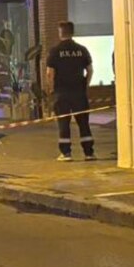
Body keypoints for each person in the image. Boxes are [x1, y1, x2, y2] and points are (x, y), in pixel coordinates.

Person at [46, 21, 95, 162]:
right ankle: (89, 153)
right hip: (79, 92)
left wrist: (52, 89)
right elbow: (90, 70)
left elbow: (50, 73)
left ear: (60, 32)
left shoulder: (55, 51)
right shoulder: (82, 50)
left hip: (62, 93)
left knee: (63, 122)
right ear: (72, 32)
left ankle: (66, 153)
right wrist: (85, 85)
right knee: (83, 122)